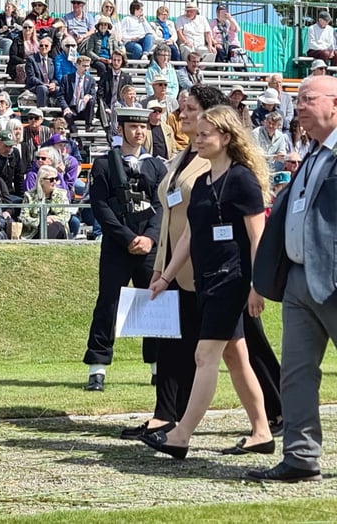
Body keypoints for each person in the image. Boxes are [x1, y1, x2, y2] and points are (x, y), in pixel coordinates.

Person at [142, 104, 273, 460]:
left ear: (226, 137)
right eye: (196, 134)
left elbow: (257, 237)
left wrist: (257, 286)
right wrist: (166, 276)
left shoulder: (243, 179)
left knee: (205, 355)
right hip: (206, 281)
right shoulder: (201, 182)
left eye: (204, 134)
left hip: (233, 281)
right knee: (235, 357)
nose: (196, 139)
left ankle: (181, 434)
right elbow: (189, 236)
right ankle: (262, 431)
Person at [248, 77, 337, 484]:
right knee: (296, 373)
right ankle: (301, 457)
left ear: (334, 105)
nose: (296, 106)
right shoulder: (312, 153)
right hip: (300, 280)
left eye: (307, 99)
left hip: (333, 279)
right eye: (296, 100)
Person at [83, 107, 166, 391]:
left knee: (154, 307)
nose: (138, 132)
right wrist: (128, 238)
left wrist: (150, 238)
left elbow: (161, 206)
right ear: (121, 129)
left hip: (148, 247)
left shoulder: (156, 166)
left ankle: (159, 368)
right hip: (118, 247)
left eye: (142, 127)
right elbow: (100, 207)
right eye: (132, 127)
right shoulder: (105, 164)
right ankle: (97, 368)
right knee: (108, 305)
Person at [58, 55, 96, 133]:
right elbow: (60, 96)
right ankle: (76, 137)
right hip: (71, 107)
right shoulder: (66, 78)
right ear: (77, 65)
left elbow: (93, 94)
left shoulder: (91, 80)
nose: (86, 68)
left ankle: (88, 126)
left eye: (88, 66)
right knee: (68, 116)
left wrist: (88, 96)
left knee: (91, 100)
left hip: (84, 108)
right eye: (84, 66)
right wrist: (65, 107)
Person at [25, 36, 58, 108]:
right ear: (38, 47)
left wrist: (53, 84)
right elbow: (31, 77)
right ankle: (42, 111)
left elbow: (55, 77)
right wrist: (43, 84)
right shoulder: (31, 59)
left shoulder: (51, 61)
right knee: (43, 88)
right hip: (35, 86)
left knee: (58, 89)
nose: (43, 47)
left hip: (48, 86)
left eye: (46, 45)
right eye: (41, 45)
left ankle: (58, 115)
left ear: (50, 48)